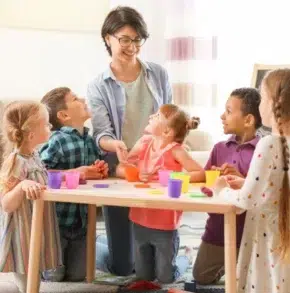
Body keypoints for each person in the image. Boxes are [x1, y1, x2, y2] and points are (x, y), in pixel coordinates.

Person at [87, 6, 172, 275]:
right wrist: (115, 145)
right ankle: (94, 248)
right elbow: (101, 133)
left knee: (160, 265)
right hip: (120, 165)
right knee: (122, 267)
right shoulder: (98, 85)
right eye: (125, 39)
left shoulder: (157, 73)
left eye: (137, 40)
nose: (132, 46)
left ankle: (175, 260)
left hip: (156, 163)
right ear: (108, 38)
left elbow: (169, 116)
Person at [214, 69, 290, 293]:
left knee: (267, 283)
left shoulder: (268, 144)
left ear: (272, 104)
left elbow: (245, 202)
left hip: (269, 236)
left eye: (262, 98)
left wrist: (221, 190)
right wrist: (247, 182)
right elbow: (279, 186)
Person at [117, 104, 204, 283]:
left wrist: (176, 177)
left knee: (166, 278)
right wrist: (134, 173)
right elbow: (121, 168)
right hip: (139, 217)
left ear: (167, 132)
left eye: (157, 116)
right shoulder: (143, 143)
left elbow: (200, 173)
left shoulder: (176, 150)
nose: (151, 117)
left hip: (165, 222)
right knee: (143, 278)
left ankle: (185, 257)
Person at [193, 88, 262, 284]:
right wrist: (215, 183)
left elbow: (263, 193)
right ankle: (231, 264)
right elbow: (207, 187)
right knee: (201, 277)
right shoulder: (219, 148)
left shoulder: (262, 151)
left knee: (250, 283)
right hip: (217, 231)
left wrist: (242, 180)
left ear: (248, 120)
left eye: (229, 111)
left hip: (249, 233)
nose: (222, 116)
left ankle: (238, 266)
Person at [40, 87, 108, 282]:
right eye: (75, 99)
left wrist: (97, 170)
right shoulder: (57, 141)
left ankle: (101, 243)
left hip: (81, 223)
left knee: (79, 276)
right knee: (53, 277)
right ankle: (31, 256)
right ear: (64, 115)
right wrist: (74, 173)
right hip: (57, 224)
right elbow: (40, 173)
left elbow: (90, 172)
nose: (83, 99)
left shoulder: (89, 140)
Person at [0, 101, 63, 293]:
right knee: (28, 279)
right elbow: (6, 204)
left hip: (36, 224)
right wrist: (21, 186)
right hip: (23, 230)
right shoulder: (16, 161)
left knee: (33, 275)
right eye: (46, 124)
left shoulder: (34, 155)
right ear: (31, 135)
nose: (50, 126)